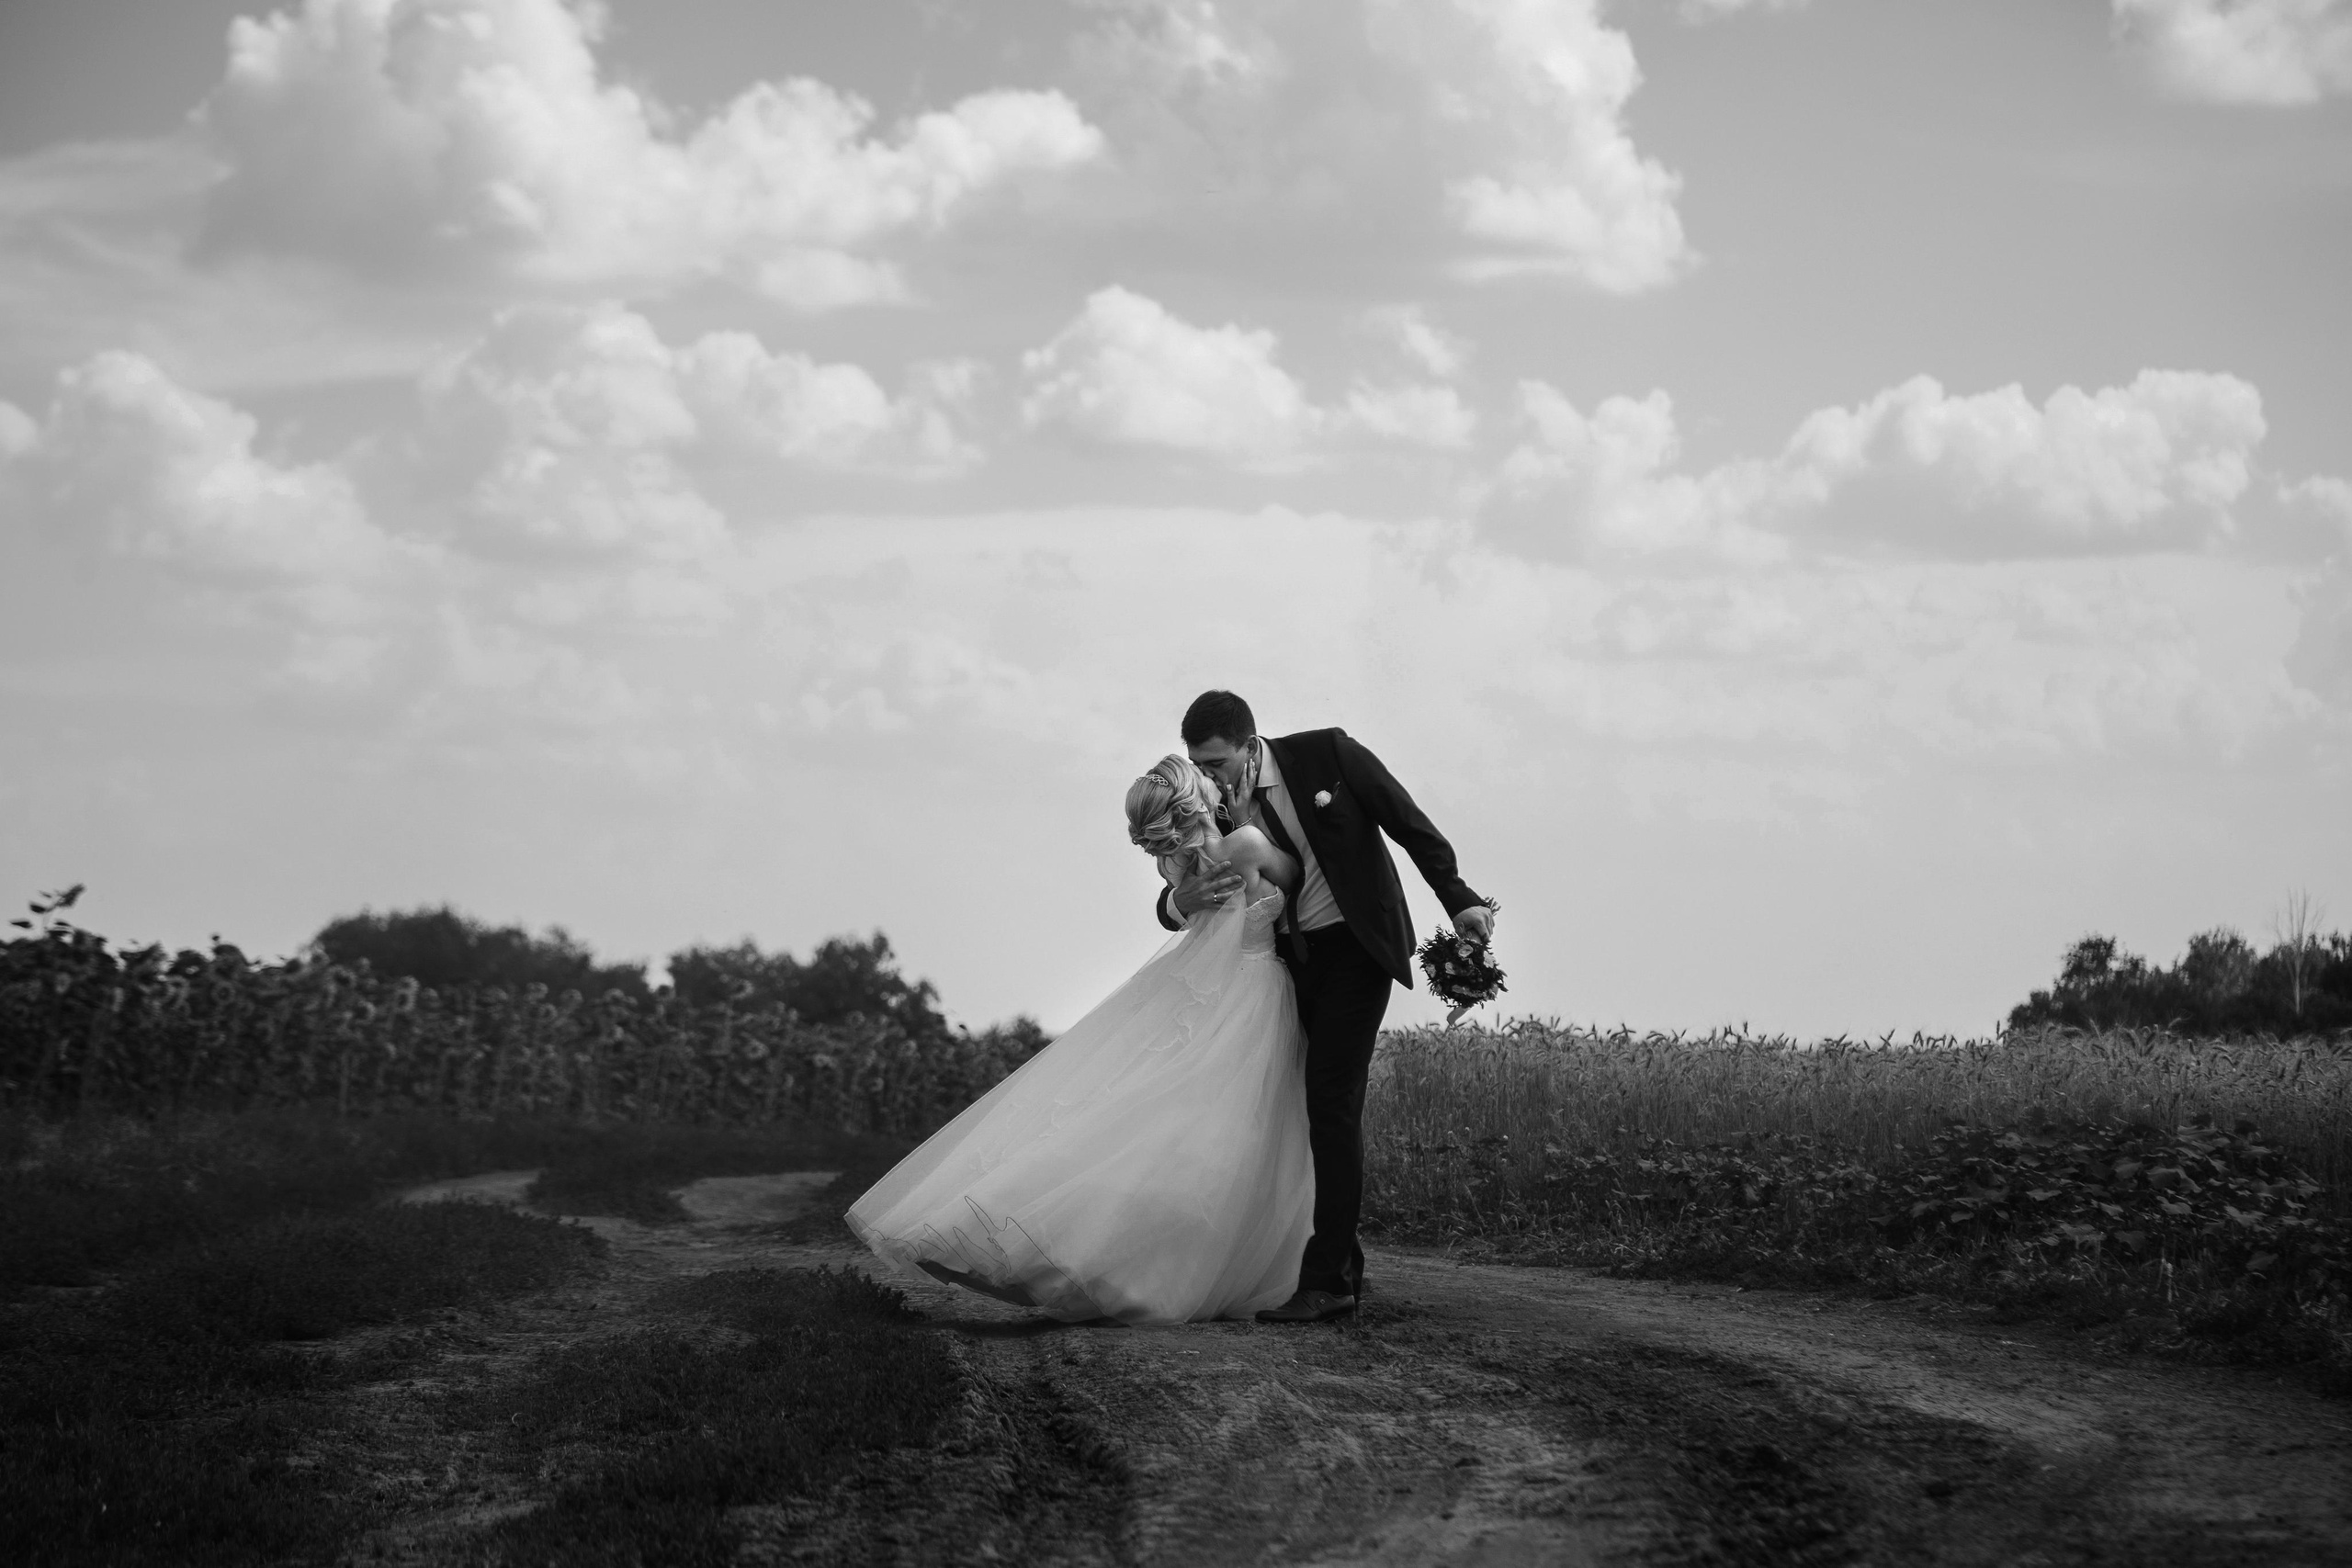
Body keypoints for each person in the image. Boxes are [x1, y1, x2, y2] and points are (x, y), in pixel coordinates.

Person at [845, 755, 1316, 1324]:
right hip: (1252, 989)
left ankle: (1084, 1250)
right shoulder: (1245, 845)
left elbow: (1183, 909)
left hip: (1198, 988)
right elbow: (1301, 876)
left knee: (1147, 1117)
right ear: (1198, 797)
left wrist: (1178, 897)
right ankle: (1171, 1267)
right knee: (1225, 1135)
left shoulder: (1177, 871)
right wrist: (1241, 817)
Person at [1157, 691, 1490, 1325]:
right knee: (1301, 1110)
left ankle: (1329, 1278)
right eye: (1199, 764)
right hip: (1286, 966)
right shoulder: (1206, 807)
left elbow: (1406, 820)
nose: (1210, 776)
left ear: (1250, 744)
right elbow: (1172, 892)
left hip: (1358, 950)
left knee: (1331, 1102)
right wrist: (1180, 901)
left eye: (1219, 762)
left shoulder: (1328, 753)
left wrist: (1458, 897)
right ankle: (1343, 1265)